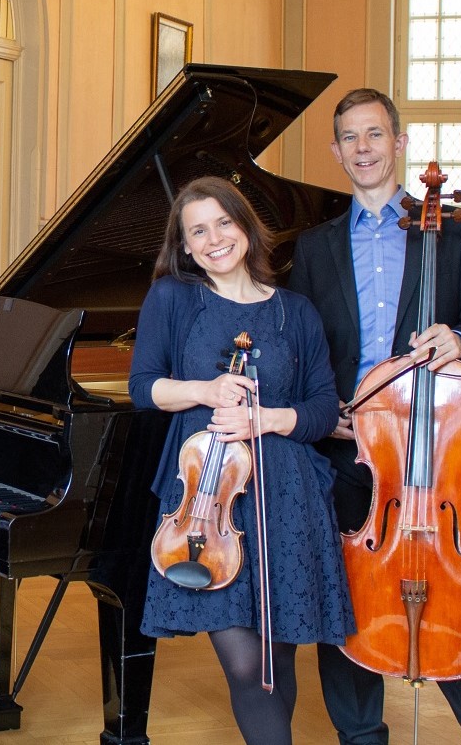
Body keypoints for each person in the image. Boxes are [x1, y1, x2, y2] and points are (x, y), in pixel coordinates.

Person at [287, 87, 461, 745]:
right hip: (346, 441)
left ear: (399, 143)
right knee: (348, 591)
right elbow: (301, 345)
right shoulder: (315, 246)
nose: (363, 148)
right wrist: (319, 407)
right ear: (336, 152)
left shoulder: (453, 226)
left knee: (447, 583)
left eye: (375, 134)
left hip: (429, 439)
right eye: (350, 138)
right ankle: (361, 736)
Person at [129, 176, 355, 745]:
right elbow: (142, 387)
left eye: (223, 223)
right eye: (197, 231)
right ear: (184, 246)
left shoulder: (295, 311)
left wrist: (268, 419)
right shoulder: (174, 298)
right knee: (247, 665)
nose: (213, 239)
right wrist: (205, 390)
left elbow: (324, 409)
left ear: (246, 227)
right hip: (208, 502)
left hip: (288, 499)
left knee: (277, 664)